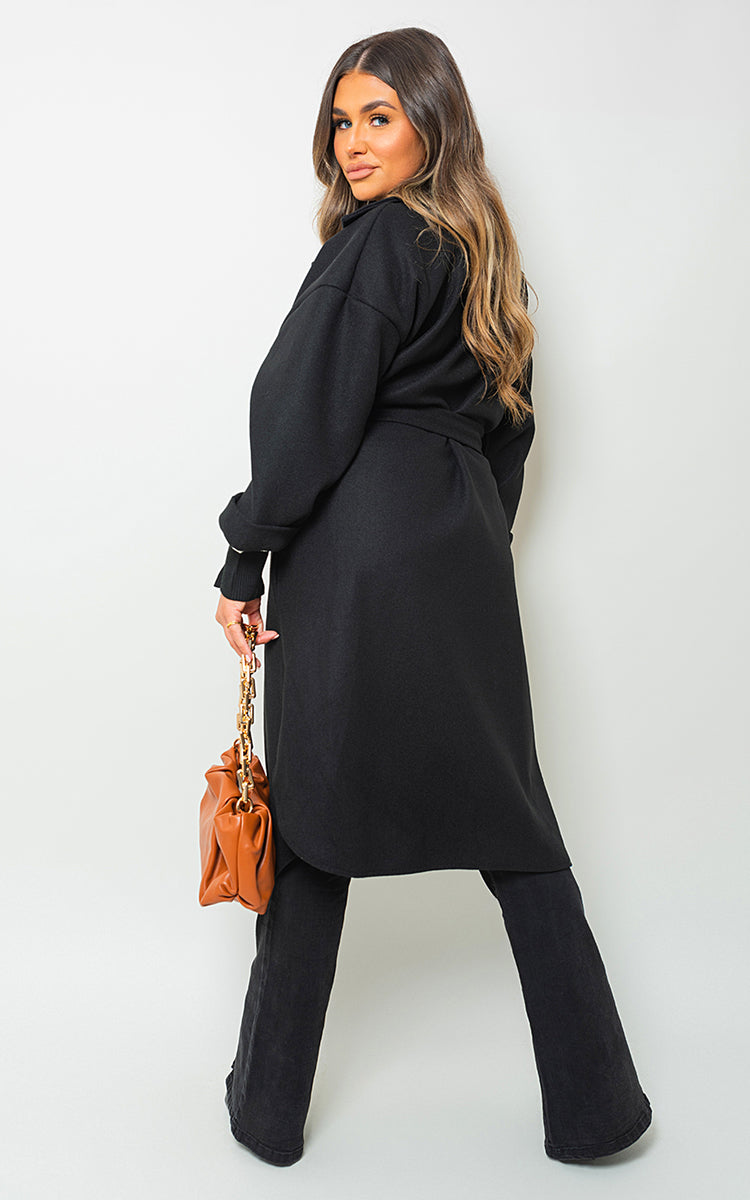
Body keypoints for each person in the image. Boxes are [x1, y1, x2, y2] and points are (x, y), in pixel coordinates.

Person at [212, 26, 653, 1169]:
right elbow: (513, 431)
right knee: (517, 827)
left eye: (380, 117)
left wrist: (245, 555)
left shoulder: (375, 247)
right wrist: (465, 541)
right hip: (461, 562)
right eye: (342, 121)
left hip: (354, 557)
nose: (353, 144)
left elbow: (299, 415)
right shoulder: (485, 253)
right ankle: (600, 1111)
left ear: (432, 123)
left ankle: (265, 1111)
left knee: (312, 821)